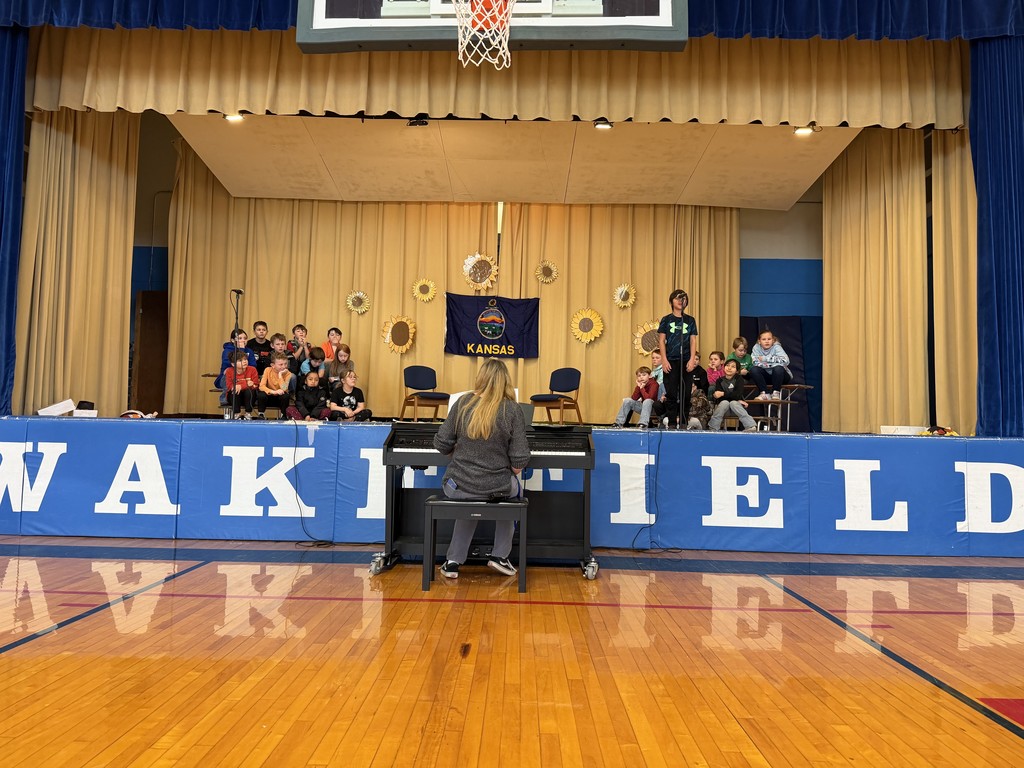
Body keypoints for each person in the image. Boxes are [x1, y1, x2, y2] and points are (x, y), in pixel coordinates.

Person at [434, 358, 530, 580]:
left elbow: (441, 444)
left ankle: (452, 561)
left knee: (471, 495)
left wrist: (459, 450)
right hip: (495, 487)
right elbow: (518, 466)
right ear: (505, 381)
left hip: (457, 486)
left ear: (481, 378)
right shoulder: (511, 410)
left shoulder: (463, 403)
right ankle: (500, 556)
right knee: (514, 491)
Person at [657, 288, 698, 429]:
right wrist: (664, 359)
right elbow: (661, 340)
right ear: (671, 301)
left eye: (684, 298)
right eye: (678, 298)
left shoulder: (690, 320)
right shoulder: (666, 320)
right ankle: (673, 423)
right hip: (670, 360)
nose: (681, 300)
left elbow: (693, 341)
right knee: (672, 393)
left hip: (686, 360)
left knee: (686, 393)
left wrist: (692, 359)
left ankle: (684, 422)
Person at [708, 358, 758, 431]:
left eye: (733, 367)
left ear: (737, 371)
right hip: (724, 410)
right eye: (727, 365)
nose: (729, 368)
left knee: (733, 403)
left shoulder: (739, 379)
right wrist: (735, 398)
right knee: (725, 403)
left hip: (737, 409)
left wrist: (723, 393)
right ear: (724, 367)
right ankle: (713, 427)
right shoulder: (720, 380)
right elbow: (720, 398)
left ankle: (751, 426)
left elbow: (737, 395)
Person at [750, 329, 793, 400]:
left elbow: (786, 361)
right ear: (759, 341)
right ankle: (764, 393)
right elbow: (754, 362)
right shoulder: (756, 348)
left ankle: (776, 392)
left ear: (773, 340)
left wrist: (765, 359)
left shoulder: (777, 347)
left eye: (769, 339)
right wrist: (773, 363)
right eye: (764, 339)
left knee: (778, 368)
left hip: (781, 376)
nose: (767, 341)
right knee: (753, 369)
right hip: (767, 377)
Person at [256, 351, 293, 419]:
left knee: (285, 396)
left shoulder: (288, 373)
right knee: (261, 395)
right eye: (281, 364)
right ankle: (261, 414)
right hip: (269, 395)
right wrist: (273, 392)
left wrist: (280, 375)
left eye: (285, 364)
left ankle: (283, 415)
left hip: (280, 397)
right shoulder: (267, 370)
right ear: (273, 365)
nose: (284, 366)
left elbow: (284, 388)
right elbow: (261, 386)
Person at [223, 350, 259, 419]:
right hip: (235, 397)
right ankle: (237, 414)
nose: (244, 361)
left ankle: (248, 413)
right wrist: (246, 384)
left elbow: (255, 384)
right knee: (235, 391)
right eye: (240, 360)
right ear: (233, 364)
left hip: (248, 396)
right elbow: (229, 386)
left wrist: (241, 386)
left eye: (245, 359)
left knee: (249, 391)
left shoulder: (252, 369)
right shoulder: (229, 371)